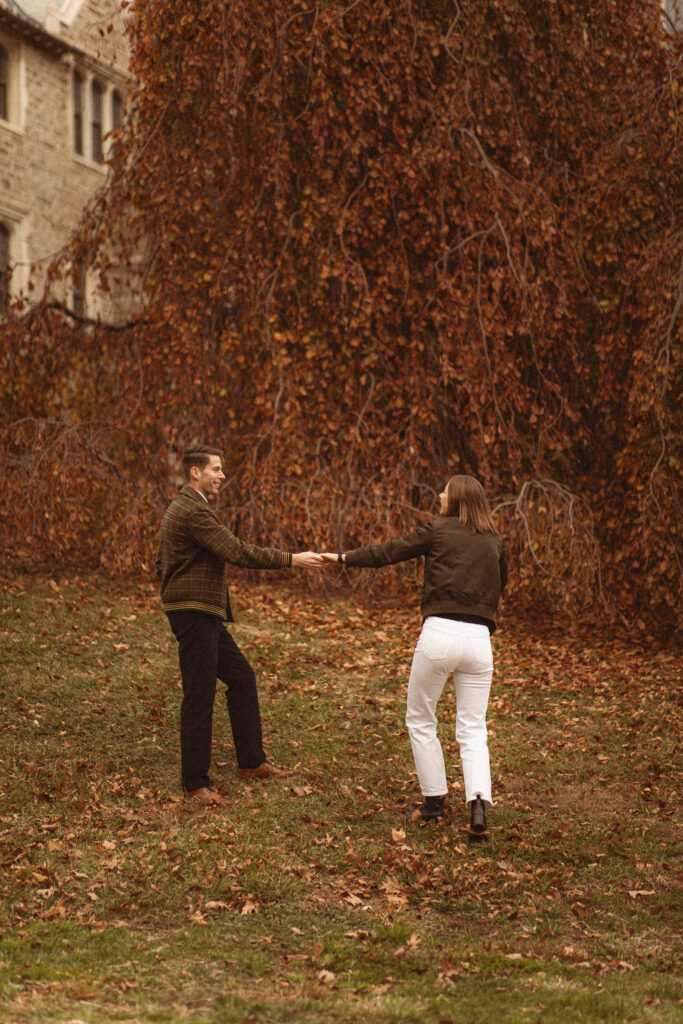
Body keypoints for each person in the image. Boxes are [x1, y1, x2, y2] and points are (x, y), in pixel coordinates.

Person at [323, 475, 507, 834]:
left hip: (439, 634)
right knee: (473, 727)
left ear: (455, 500)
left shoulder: (438, 531)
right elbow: (501, 584)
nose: (439, 495)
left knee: (421, 718)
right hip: (479, 641)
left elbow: (389, 551)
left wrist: (343, 557)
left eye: (445, 491)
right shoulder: (495, 542)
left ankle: (434, 803)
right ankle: (478, 807)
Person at [156, 444, 323, 806]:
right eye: (216, 469)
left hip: (203, 612)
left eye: (221, 469)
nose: (222, 476)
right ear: (195, 472)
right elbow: (237, 551)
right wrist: (292, 559)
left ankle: (251, 761)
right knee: (198, 695)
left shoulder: (191, 507)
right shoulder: (193, 511)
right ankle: (195, 783)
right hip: (194, 613)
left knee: (242, 678)